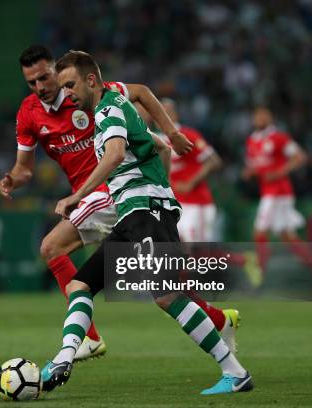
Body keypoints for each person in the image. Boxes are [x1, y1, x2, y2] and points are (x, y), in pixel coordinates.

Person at [41, 51, 253, 395]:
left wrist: (76, 195)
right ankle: (64, 357)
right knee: (80, 286)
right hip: (131, 215)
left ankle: (235, 371)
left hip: (145, 211)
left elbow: (112, 156)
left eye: (71, 84)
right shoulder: (114, 110)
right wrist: (166, 146)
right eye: (62, 87)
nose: (67, 93)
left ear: (91, 80)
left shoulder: (109, 109)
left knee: (167, 296)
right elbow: (158, 144)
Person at [0, 45, 193, 361]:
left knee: (53, 248)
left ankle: (87, 338)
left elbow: (141, 93)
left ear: (56, 70)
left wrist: (170, 131)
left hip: (106, 189)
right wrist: (13, 179)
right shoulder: (28, 113)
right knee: (155, 277)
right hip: (98, 195)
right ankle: (215, 318)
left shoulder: (89, 93)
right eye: (31, 82)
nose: (40, 87)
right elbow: (24, 169)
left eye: (45, 77)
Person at [159, 98, 241, 352]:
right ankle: (191, 301)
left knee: (190, 251)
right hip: (177, 205)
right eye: (162, 110)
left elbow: (214, 161)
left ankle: (240, 263)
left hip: (198, 203)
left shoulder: (187, 134)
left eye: (169, 110)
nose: (165, 114)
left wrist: (192, 181)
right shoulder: (155, 139)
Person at [242, 107, 312, 286]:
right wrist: (250, 172)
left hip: (279, 192)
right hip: (269, 191)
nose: (260, 118)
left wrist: (280, 171)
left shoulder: (279, 137)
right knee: (288, 237)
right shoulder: (252, 141)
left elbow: (300, 156)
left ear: (270, 118)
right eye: (257, 115)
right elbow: (255, 165)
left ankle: (259, 277)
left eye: (264, 115)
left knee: (260, 230)